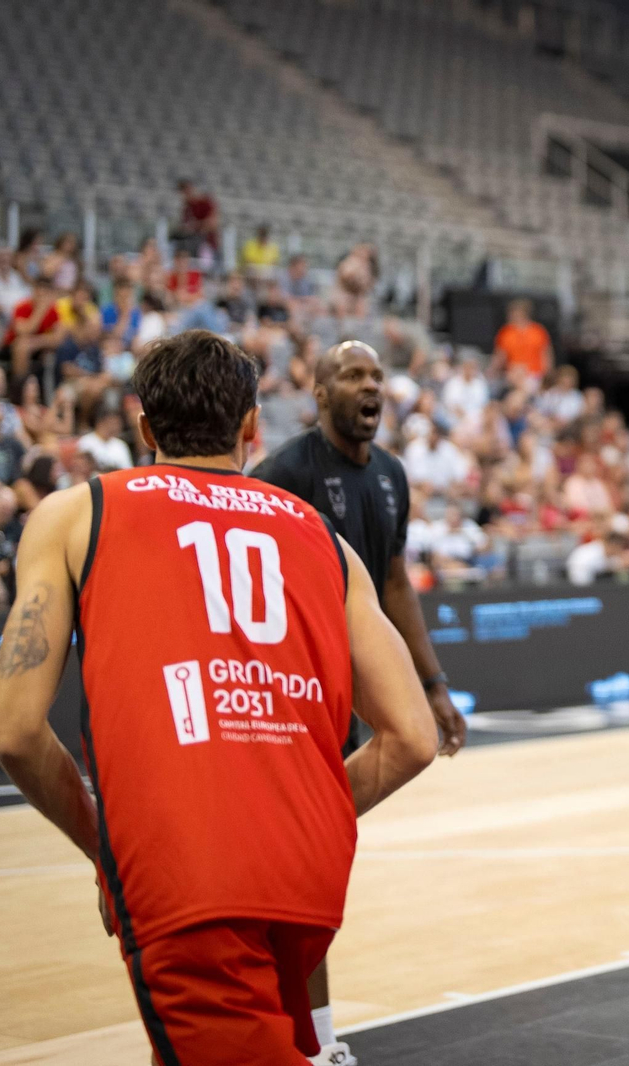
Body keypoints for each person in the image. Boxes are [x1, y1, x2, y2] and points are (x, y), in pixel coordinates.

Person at [0, 329, 438, 1065]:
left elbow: (14, 732)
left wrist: (108, 848)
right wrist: (311, 812)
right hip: (308, 868)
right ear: (251, 427)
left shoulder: (76, 513)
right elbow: (412, 737)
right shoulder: (324, 537)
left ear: (144, 428)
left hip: (187, 869)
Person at [250, 339, 468, 1064]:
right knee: (306, 866)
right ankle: (313, 1043)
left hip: (353, 694)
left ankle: (305, 1034)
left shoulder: (392, 476)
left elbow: (396, 583)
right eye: (352, 375)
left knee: (312, 866)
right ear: (319, 393)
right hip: (295, 697)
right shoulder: (285, 473)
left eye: (376, 375)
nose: (369, 385)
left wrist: (432, 685)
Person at [492, 298, 552, 380]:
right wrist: (492, 371)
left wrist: (547, 376)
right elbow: (500, 356)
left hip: (535, 374)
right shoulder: (506, 332)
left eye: (515, 313)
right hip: (513, 374)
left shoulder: (538, 331)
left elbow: (545, 355)